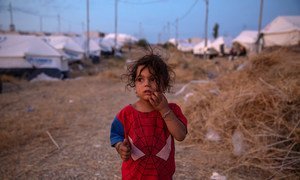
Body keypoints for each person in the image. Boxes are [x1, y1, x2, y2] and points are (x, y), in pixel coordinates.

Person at [110, 47, 188, 180]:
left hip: (162, 175)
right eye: (140, 79)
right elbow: (115, 135)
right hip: (133, 176)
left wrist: (164, 110)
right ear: (135, 85)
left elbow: (180, 135)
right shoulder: (126, 114)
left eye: (152, 79)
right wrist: (119, 147)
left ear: (163, 84)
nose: (146, 84)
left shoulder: (172, 110)